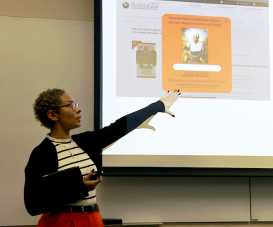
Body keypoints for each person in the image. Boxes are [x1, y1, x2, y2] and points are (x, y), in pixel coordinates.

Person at [24, 89, 181, 227]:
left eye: (76, 104)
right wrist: (80, 188)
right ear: (53, 115)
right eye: (71, 105)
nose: (78, 109)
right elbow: (33, 204)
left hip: (93, 219)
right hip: (63, 221)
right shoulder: (42, 153)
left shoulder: (84, 142)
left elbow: (118, 127)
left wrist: (157, 106)